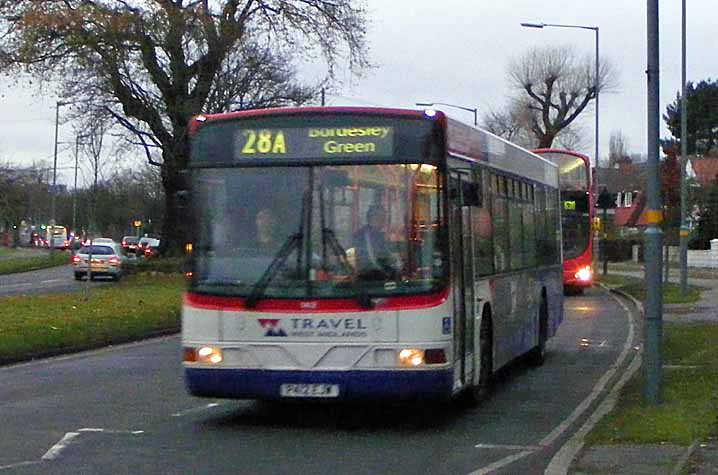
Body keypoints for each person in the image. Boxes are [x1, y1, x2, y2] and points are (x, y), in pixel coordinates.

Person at [352, 204, 401, 279]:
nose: (385, 221)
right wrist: (392, 260)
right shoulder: (364, 235)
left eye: (385, 218)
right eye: (383, 218)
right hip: (370, 278)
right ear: (374, 218)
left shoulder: (377, 234)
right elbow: (372, 260)